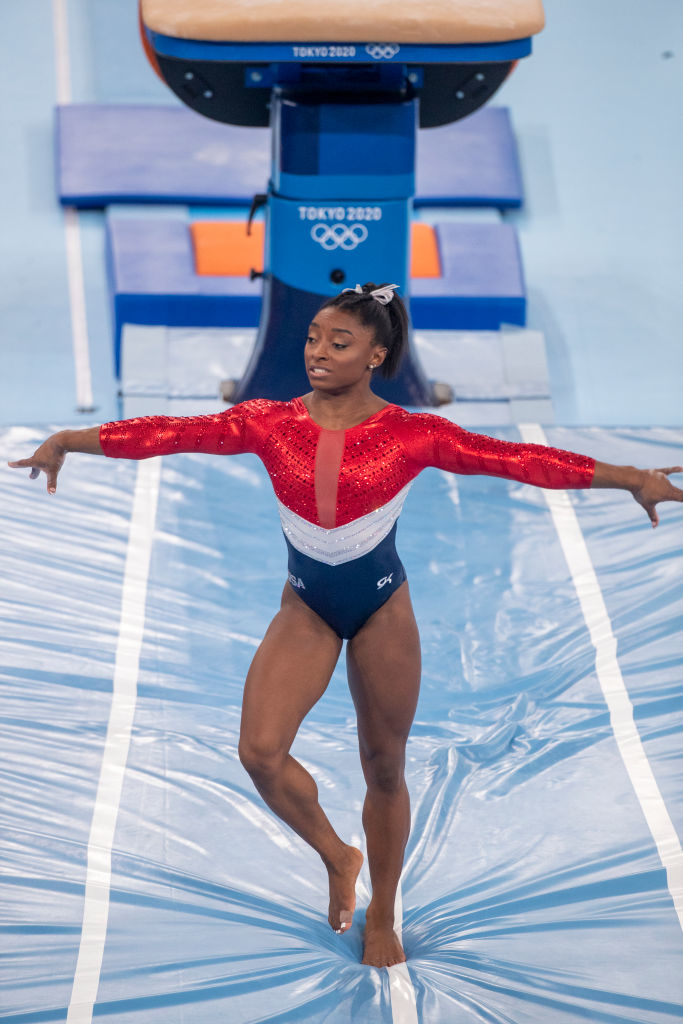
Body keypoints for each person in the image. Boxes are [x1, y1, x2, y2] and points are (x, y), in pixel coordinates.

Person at [9, 283, 683, 969]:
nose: (317, 353)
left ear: (376, 355)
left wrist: (630, 478)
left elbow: (518, 461)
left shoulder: (413, 434)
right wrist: (69, 439)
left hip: (381, 608)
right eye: (311, 338)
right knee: (259, 752)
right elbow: (167, 434)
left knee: (383, 766)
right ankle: (338, 855)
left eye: (339, 343)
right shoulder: (267, 422)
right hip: (306, 606)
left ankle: (383, 911)